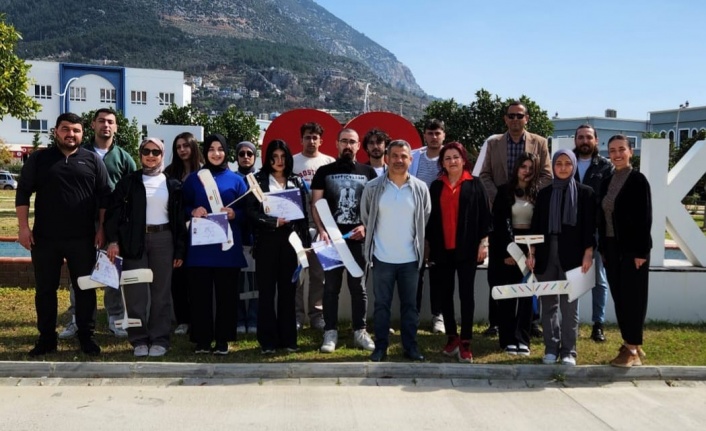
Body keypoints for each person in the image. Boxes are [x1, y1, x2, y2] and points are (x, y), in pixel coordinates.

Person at [16, 112, 111, 356]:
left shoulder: (92, 160)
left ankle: (86, 336)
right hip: (45, 238)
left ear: (82, 133)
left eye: (76, 130)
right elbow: (23, 192)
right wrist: (23, 228)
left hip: (83, 238)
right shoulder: (39, 159)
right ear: (56, 131)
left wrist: (101, 229)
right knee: (45, 290)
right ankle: (47, 339)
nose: (71, 134)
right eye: (66, 129)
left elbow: (104, 197)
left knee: (85, 288)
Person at [105, 137, 187, 357]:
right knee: (135, 293)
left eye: (156, 152)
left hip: (164, 239)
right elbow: (113, 214)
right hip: (134, 241)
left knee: (161, 293)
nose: (151, 156)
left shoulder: (172, 185)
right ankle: (139, 339)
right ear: (140, 154)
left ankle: (160, 339)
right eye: (146, 151)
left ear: (162, 155)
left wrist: (180, 249)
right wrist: (113, 241)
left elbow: (179, 220)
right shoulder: (129, 182)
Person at [59, 108, 137, 340]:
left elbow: (134, 192)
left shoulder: (124, 158)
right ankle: (78, 318)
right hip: (82, 223)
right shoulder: (78, 153)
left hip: (113, 224)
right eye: (101, 121)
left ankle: (115, 317)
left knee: (112, 271)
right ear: (92, 125)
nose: (106, 125)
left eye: (110, 122)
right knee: (80, 272)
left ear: (116, 127)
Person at [479, 101, 552, 337]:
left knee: (529, 270)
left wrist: (530, 193)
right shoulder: (494, 143)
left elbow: (547, 175)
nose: (515, 119)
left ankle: (530, 321)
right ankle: (496, 321)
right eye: (511, 116)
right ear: (505, 119)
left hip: (528, 216)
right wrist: (502, 198)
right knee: (499, 270)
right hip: (501, 216)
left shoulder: (539, 142)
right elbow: (485, 175)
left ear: (527, 118)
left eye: (520, 116)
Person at [361, 140, 431, 362]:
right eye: (395, 156)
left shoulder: (420, 188)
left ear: (411, 159)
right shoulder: (373, 187)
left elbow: (425, 216)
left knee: (410, 307)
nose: (399, 160)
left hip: (410, 259)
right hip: (382, 258)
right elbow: (366, 217)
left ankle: (410, 347)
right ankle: (380, 347)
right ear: (387, 158)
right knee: (381, 306)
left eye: (403, 156)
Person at [526, 149, 596, 366]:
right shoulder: (544, 193)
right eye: (559, 163)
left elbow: (590, 227)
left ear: (573, 165)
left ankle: (568, 351)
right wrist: (532, 253)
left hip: (574, 257)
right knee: (548, 304)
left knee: (569, 306)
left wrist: (588, 254)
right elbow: (536, 225)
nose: (563, 167)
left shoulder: (585, 193)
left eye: (567, 163)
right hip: (546, 254)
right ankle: (550, 348)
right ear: (553, 166)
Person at [311, 128, 377, 353]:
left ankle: (360, 331)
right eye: (344, 141)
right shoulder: (324, 171)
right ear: (337, 144)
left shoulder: (368, 172)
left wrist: (365, 227)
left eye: (352, 142)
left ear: (358, 146)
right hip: (330, 241)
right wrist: (322, 230)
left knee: (359, 287)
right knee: (330, 287)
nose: (348, 146)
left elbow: (375, 206)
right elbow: (315, 204)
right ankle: (330, 332)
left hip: (358, 240)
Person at [182, 134, 248, 355]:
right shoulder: (194, 179)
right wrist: (193, 210)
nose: (216, 153)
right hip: (200, 249)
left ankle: (223, 340)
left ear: (226, 152)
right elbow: (182, 206)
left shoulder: (237, 180)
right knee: (199, 296)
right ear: (205, 152)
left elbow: (247, 211)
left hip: (226, 248)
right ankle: (202, 340)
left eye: (220, 149)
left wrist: (235, 214)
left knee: (226, 297)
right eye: (211, 149)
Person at [426, 142, 491, 363]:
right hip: (442, 249)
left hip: (467, 249)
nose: (452, 161)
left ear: (463, 160)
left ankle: (466, 341)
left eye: (456, 157)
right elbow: (431, 220)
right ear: (442, 163)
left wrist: (484, 243)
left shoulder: (475, 184)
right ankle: (452, 337)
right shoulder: (436, 186)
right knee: (445, 295)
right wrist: (428, 246)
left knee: (466, 295)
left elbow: (485, 217)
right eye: (447, 158)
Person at [247, 140, 311, 354]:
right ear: (268, 158)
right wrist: (272, 221)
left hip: (290, 242)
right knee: (266, 292)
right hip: (266, 241)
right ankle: (267, 341)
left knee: (288, 292)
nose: (279, 161)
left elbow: (303, 215)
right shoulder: (258, 180)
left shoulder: (296, 181)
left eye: (283, 156)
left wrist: (305, 245)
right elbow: (251, 212)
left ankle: (288, 339)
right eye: (274, 157)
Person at [598, 135, 652, 367]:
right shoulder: (607, 181)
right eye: (612, 150)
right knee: (620, 298)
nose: (617, 154)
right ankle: (632, 344)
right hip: (611, 248)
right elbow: (603, 217)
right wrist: (603, 248)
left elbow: (645, 218)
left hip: (633, 250)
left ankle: (631, 348)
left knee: (633, 298)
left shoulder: (638, 180)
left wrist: (641, 252)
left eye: (621, 149)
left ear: (631, 151)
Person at [490, 153, 540, 356]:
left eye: (530, 168)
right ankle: (507, 339)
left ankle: (522, 339)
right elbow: (498, 225)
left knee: (527, 297)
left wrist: (532, 252)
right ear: (517, 169)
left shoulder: (538, 193)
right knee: (509, 297)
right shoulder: (504, 192)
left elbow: (540, 224)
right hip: (508, 247)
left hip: (530, 247)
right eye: (523, 167)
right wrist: (507, 251)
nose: (526, 171)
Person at [292, 122, 335, 331]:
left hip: (322, 227)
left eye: (315, 137)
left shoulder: (329, 162)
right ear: (301, 140)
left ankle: (317, 314)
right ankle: (296, 316)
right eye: (307, 137)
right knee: (298, 273)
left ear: (321, 140)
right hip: (297, 226)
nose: (311, 141)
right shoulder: (292, 162)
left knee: (319, 274)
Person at [573, 124, 614, 343]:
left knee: (598, 279)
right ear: (575, 140)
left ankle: (598, 324)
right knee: (574, 278)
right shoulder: (566, 161)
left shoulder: (606, 166)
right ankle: (572, 324)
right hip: (570, 230)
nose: (584, 141)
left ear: (596, 140)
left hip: (596, 230)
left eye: (588, 137)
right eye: (580, 137)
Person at [164, 132, 203, 336]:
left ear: (193, 147)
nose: (182, 150)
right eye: (178, 147)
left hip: (201, 231)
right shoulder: (169, 173)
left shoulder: (205, 172)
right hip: (175, 232)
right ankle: (182, 320)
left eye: (186, 146)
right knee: (177, 277)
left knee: (196, 278)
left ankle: (198, 318)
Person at [409, 118, 446, 334]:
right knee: (416, 270)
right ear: (424, 135)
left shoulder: (449, 157)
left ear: (443, 135)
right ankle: (412, 314)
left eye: (437, 133)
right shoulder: (414, 157)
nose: (434, 137)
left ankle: (438, 315)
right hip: (415, 222)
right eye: (430, 133)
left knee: (438, 271)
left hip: (441, 223)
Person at [234, 140, 259, 335]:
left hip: (256, 237)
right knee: (238, 282)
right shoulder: (232, 179)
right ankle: (239, 319)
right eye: (241, 154)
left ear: (255, 157)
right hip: (237, 237)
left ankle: (253, 318)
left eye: (249, 153)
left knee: (255, 282)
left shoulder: (260, 178)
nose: (245, 157)